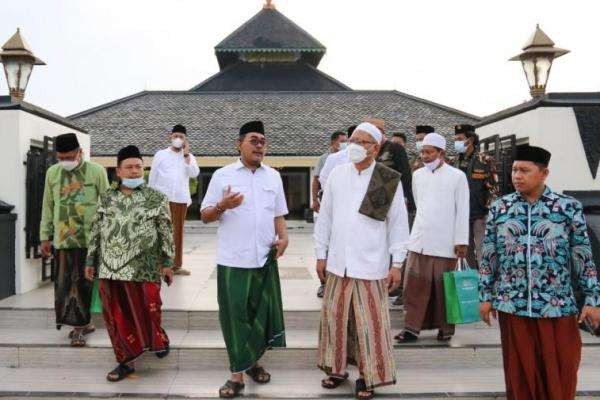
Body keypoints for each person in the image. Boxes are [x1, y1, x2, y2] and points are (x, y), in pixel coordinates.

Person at [479, 145, 600, 400]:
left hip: (557, 306)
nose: (517, 176)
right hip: (512, 305)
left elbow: (583, 256)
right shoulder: (500, 209)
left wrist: (593, 300)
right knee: (520, 376)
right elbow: (489, 256)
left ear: (544, 173)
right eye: (514, 170)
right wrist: (485, 295)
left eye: (524, 170)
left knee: (561, 370)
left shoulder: (567, 208)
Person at [315, 122, 409, 400]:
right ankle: (336, 369)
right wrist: (321, 254)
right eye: (353, 139)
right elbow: (325, 218)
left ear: (376, 148)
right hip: (337, 263)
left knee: (370, 324)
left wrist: (397, 263)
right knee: (335, 320)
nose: (355, 145)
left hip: (371, 264)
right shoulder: (336, 175)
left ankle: (368, 377)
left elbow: (398, 225)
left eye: (363, 142)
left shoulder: (387, 178)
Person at [200, 120, 289, 399]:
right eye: (254, 140)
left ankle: (252, 363)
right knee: (234, 317)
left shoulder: (273, 176)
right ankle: (236, 376)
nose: (260, 145)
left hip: (264, 258)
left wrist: (283, 237)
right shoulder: (222, 175)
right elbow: (204, 215)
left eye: (263, 140)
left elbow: (278, 214)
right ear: (239, 144)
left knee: (258, 315)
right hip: (233, 261)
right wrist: (222, 206)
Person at [84, 145, 174, 382]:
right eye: (130, 167)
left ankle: (158, 338)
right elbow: (96, 232)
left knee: (150, 309)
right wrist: (90, 260)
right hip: (110, 269)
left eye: (139, 167)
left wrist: (167, 262)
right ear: (118, 171)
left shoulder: (156, 198)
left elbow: (166, 231)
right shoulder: (106, 198)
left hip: (144, 268)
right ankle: (125, 361)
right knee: (116, 317)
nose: (135, 172)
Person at [396, 132, 469, 343]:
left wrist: (461, 240)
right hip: (420, 241)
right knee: (413, 288)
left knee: (443, 289)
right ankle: (411, 329)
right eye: (423, 153)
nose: (425, 156)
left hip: (446, 243)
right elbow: (419, 205)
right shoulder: (417, 175)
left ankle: (445, 330)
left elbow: (462, 209)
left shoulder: (457, 176)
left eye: (429, 152)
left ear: (441, 153)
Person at [39, 133, 109, 347]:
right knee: (63, 285)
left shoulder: (97, 171)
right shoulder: (52, 173)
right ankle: (83, 324)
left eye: (69, 156)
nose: (65, 161)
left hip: (88, 240)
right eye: (61, 158)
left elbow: (107, 205)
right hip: (62, 240)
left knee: (82, 284)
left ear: (81, 153)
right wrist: (44, 236)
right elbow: (48, 206)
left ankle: (80, 328)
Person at [149, 124, 200, 276]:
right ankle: (159, 265)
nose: (177, 139)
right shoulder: (161, 154)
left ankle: (176, 266)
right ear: (170, 138)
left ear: (185, 140)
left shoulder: (189, 157)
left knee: (177, 232)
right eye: (175, 136)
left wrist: (186, 155)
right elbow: (153, 176)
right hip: (162, 199)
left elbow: (194, 173)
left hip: (180, 199)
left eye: (181, 137)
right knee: (161, 232)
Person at [449, 124, 498, 270]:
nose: (456, 142)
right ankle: (469, 284)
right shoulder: (453, 161)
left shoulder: (484, 160)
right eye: (455, 139)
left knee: (483, 252)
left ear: (470, 140)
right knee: (464, 253)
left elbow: (494, 189)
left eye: (459, 139)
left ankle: (487, 283)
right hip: (460, 216)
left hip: (479, 214)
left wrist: (488, 212)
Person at [312, 130, 348, 214]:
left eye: (346, 141)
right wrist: (314, 200)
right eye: (342, 141)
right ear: (333, 142)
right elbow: (316, 180)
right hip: (327, 195)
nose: (345, 144)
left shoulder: (348, 156)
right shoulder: (324, 158)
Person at [318, 125, 356, 189]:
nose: (344, 143)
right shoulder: (330, 158)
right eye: (342, 141)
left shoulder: (370, 157)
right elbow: (322, 179)